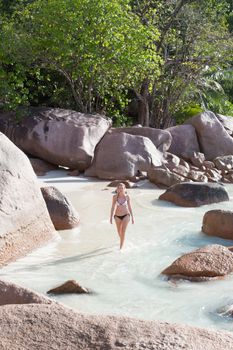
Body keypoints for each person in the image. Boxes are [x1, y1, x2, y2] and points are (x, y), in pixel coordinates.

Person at [110, 183, 134, 249]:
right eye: (119, 188)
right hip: (117, 216)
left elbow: (129, 207)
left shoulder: (127, 197)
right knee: (119, 231)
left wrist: (132, 217)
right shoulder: (115, 197)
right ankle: (123, 241)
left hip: (126, 215)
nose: (121, 189)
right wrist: (111, 217)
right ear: (117, 189)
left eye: (122, 188)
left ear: (124, 189)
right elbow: (112, 207)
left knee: (123, 231)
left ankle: (121, 248)